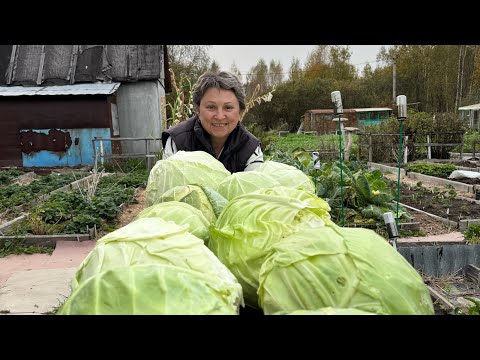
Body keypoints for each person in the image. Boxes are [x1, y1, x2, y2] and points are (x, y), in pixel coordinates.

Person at [161, 71, 264, 173]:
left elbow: (254, 188)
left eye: (228, 107)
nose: (219, 116)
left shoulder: (251, 148)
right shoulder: (177, 141)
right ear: (198, 110)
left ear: (240, 112)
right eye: (211, 107)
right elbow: (168, 186)